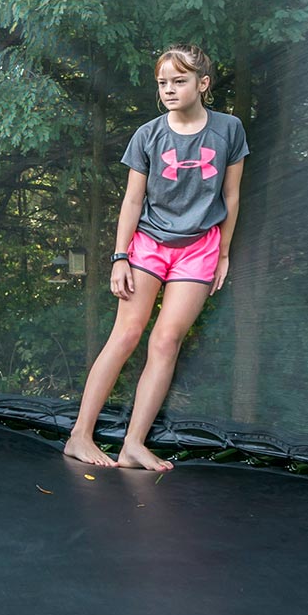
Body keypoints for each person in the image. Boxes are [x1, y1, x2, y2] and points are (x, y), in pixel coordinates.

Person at [64, 44, 247, 471]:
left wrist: (222, 254)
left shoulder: (229, 130)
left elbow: (231, 196)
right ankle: (79, 436)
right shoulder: (148, 134)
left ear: (202, 84)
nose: (169, 89)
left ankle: (133, 444)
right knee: (126, 335)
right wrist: (119, 257)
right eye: (163, 82)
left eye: (179, 81)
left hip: (199, 248)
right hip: (148, 244)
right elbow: (131, 201)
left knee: (165, 341)